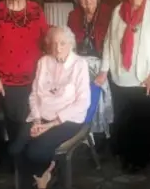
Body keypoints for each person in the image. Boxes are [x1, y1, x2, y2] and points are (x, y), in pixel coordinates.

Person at [95, 0, 150, 172]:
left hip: (145, 77)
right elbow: (109, 43)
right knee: (124, 118)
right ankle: (126, 154)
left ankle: (141, 158)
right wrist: (103, 70)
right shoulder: (118, 10)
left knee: (142, 121)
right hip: (121, 75)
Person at [10, 26, 91, 188]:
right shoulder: (44, 62)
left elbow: (83, 102)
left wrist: (50, 125)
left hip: (67, 120)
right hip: (41, 116)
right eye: (54, 43)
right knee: (15, 149)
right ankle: (42, 174)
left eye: (62, 43)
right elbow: (34, 94)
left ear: (71, 44)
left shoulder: (80, 65)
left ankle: (41, 176)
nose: (58, 48)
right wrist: (37, 120)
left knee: (35, 151)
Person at [0, 0, 49, 143]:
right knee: (15, 121)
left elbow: (47, 39)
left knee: (37, 119)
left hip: (36, 76)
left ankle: (36, 161)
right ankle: (18, 163)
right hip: (8, 79)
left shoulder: (36, 10)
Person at [68, 0, 113, 137]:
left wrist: (104, 70)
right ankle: (86, 135)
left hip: (104, 64)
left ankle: (103, 137)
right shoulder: (73, 16)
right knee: (83, 100)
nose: (87, 0)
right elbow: (70, 42)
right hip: (81, 64)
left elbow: (111, 43)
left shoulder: (109, 13)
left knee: (100, 101)